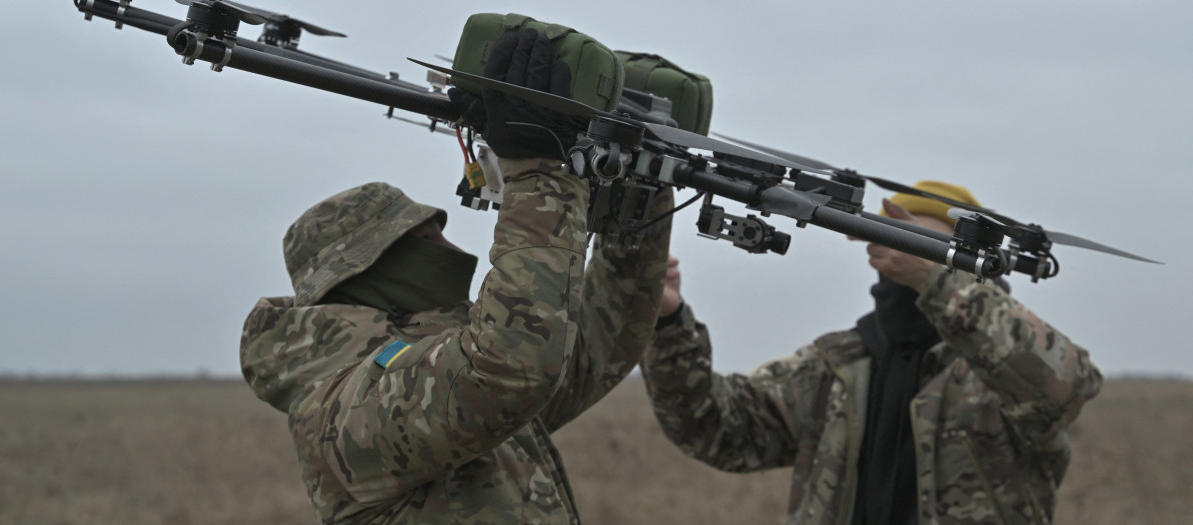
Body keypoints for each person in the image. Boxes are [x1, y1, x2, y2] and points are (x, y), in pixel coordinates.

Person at [239, 29, 672, 524]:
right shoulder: (341, 417)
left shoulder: (459, 381)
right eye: (427, 241)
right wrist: (536, 170)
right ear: (371, 275)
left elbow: (596, 344)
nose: (452, 250)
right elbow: (513, 366)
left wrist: (638, 202)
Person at [642, 181, 1102, 525]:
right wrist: (668, 323)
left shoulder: (1001, 370)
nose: (908, 259)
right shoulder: (838, 364)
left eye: (927, 246)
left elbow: (1065, 388)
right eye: (900, 242)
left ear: (970, 268)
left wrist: (934, 279)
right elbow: (716, 430)